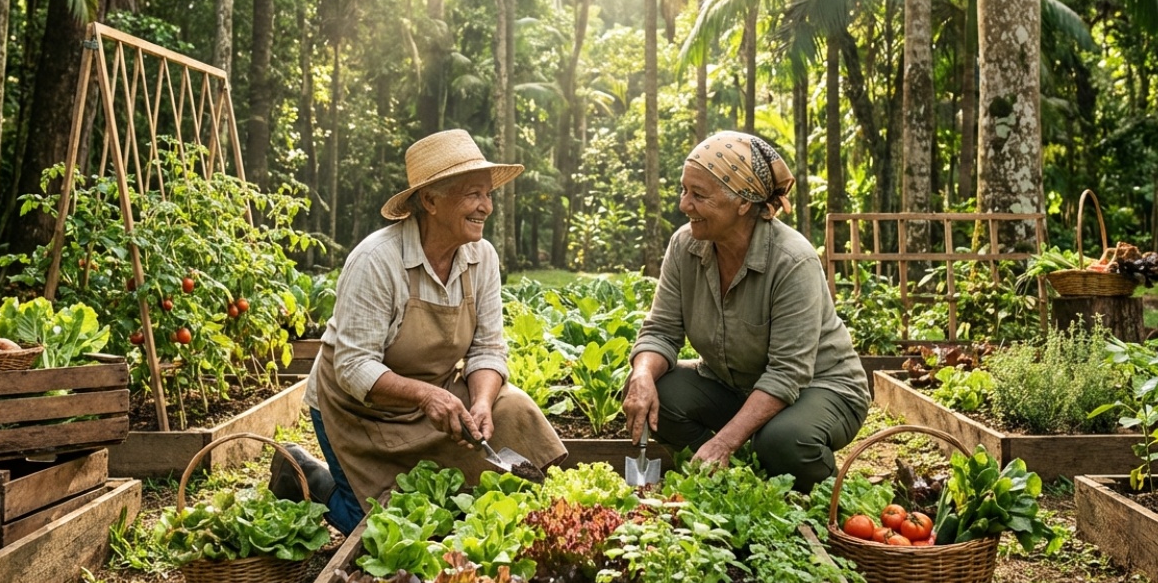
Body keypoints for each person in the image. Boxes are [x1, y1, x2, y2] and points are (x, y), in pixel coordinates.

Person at [271, 129, 567, 534]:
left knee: (510, 408)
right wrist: (427, 396)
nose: (486, 206)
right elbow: (354, 367)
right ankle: (303, 475)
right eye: (473, 194)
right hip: (360, 410)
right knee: (379, 528)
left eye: (488, 194)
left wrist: (482, 402)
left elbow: (487, 349)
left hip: (437, 397)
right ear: (430, 201)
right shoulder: (377, 260)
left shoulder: (482, 257)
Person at [621, 131, 869, 491]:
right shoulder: (684, 246)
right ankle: (727, 480)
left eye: (698, 195)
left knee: (783, 442)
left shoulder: (792, 261)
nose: (684, 204)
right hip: (734, 386)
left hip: (819, 387)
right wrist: (642, 374)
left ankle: (818, 488)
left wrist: (724, 441)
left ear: (741, 203)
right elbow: (661, 331)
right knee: (656, 392)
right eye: (683, 190)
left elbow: (787, 373)